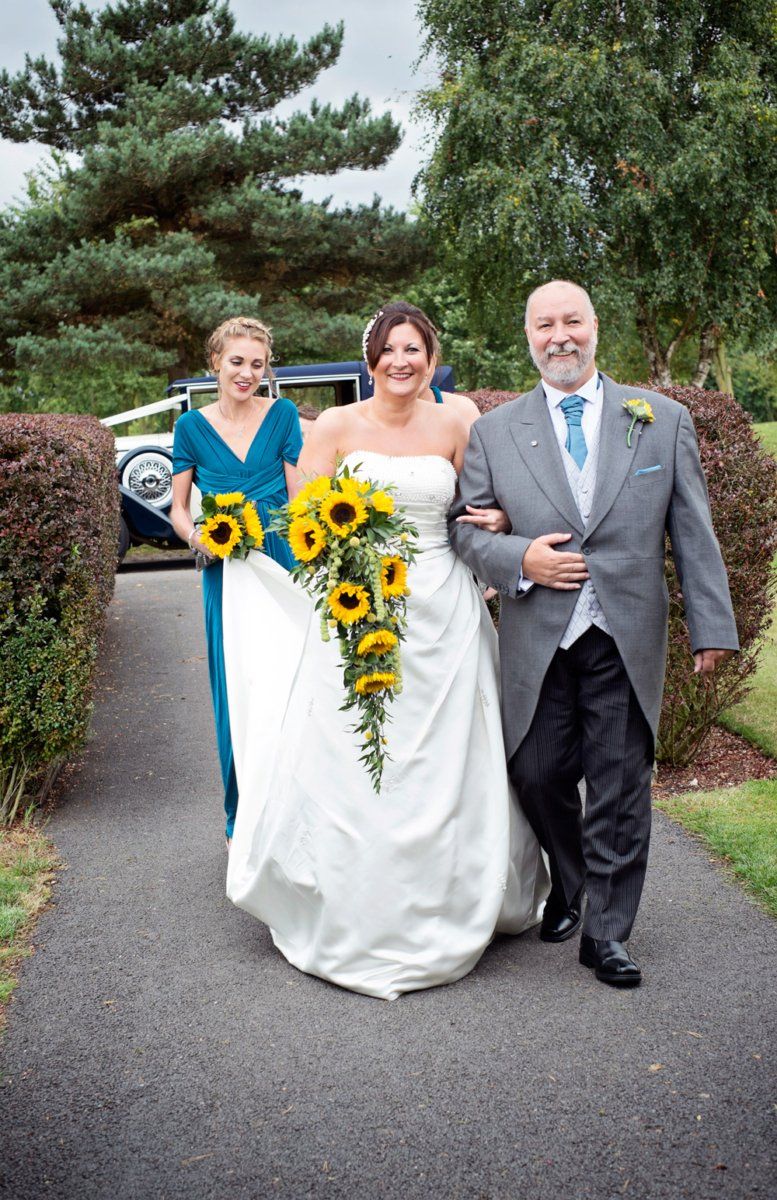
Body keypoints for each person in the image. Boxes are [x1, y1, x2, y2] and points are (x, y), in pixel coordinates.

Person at [222, 301, 549, 999]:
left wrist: (494, 517)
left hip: (444, 608)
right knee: (355, 740)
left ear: (430, 356)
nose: (401, 362)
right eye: (388, 351)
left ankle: (461, 890)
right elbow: (306, 510)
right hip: (359, 604)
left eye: (414, 349)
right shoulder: (336, 425)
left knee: (449, 748)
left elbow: (490, 502)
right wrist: (346, 564)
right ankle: (350, 898)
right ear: (370, 360)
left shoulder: (460, 417)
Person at [449, 280, 739, 988]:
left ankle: (606, 934)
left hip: (624, 633)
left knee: (618, 786)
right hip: (537, 635)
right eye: (544, 325)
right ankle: (571, 880)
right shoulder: (494, 430)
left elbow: (691, 533)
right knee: (536, 773)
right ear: (529, 337)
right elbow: (462, 527)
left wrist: (712, 627)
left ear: (594, 327)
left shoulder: (660, 420)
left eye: (571, 322)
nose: (560, 337)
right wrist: (520, 556)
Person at [170, 317, 303, 845]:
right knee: (238, 689)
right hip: (226, 570)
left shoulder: (284, 414)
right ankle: (242, 817)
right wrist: (198, 538)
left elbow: (299, 497)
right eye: (236, 362)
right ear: (215, 363)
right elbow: (179, 510)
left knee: (292, 682)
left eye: (257, 364)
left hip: (284, 563)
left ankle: (297, 808)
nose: (246, 373)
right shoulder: (190, 429)